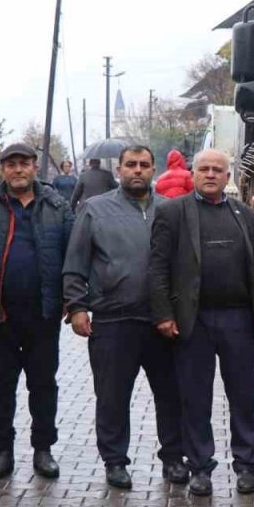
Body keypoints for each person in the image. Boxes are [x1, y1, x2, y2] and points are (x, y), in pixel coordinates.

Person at [62, 144, 186, 489]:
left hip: (162, 320)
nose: (137, 170)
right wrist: (76, 306)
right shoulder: (95, 210)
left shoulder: (171, 210)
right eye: (130, 164)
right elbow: (75, 261)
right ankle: (115, 461)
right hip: (113, 318)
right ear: (119, 170)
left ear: (153, 170)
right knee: (113, 396)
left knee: (171, 393)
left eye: (144, 165)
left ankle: (174, 458)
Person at [149, 149, 254, 497]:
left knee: (244, 397)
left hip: (238, 318)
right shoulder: (172, 212)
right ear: (193, 173)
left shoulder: (244, 214)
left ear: (228, 176)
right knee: (195, 397)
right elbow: (158, 268)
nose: (211, 174)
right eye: (204, 169)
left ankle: (247, 465)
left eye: (218, 170)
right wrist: (164, 314)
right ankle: (200, 467)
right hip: (193, 319)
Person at [0, 143, 73, 481]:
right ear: (2, 169)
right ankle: (2, 451)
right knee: (0, 384)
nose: (17, 170)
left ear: (35, 167)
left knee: (43, 384)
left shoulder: (57, 206)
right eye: (11, 165)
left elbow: (74, 254)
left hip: (43, 313)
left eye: (24, 164)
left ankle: (43, 449)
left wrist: (72, 298)